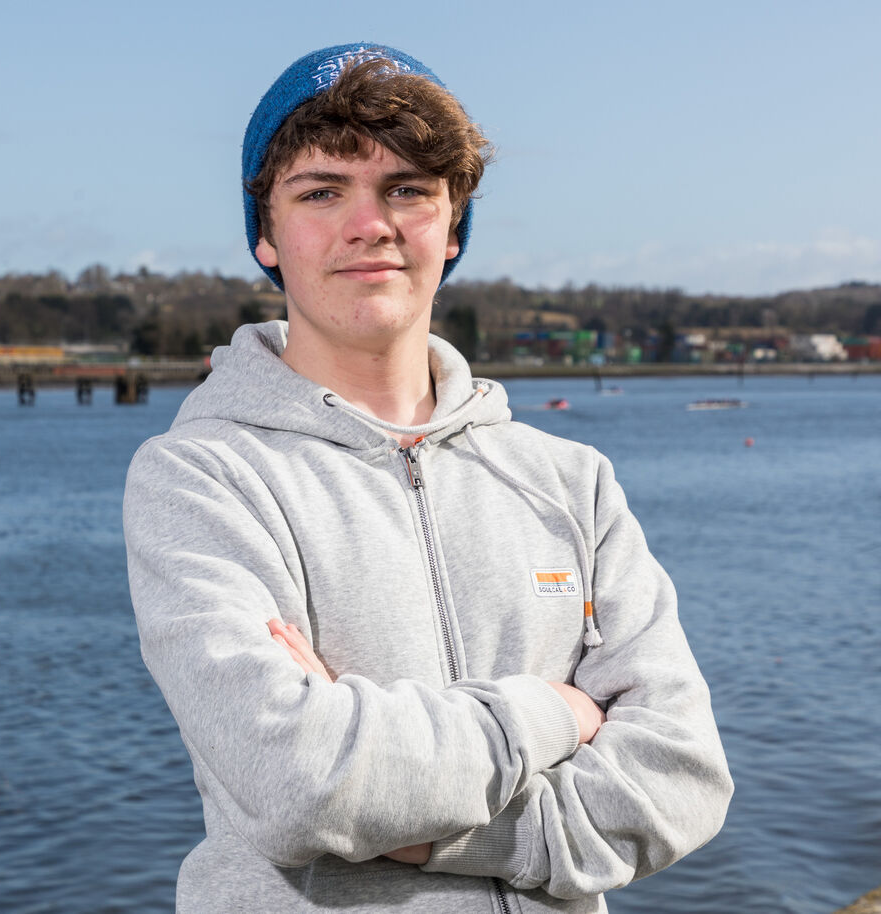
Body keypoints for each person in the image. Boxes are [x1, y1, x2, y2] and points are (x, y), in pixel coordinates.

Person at [123, 43, 733, 914]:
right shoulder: (202, 478)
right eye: (321, 191)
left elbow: (681, 782)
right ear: (265, 232)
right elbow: (302, 783)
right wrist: (551, 715)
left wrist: (422, 831)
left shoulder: (571, 483)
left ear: (453, 228)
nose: (368, 223)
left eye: (406, 189)